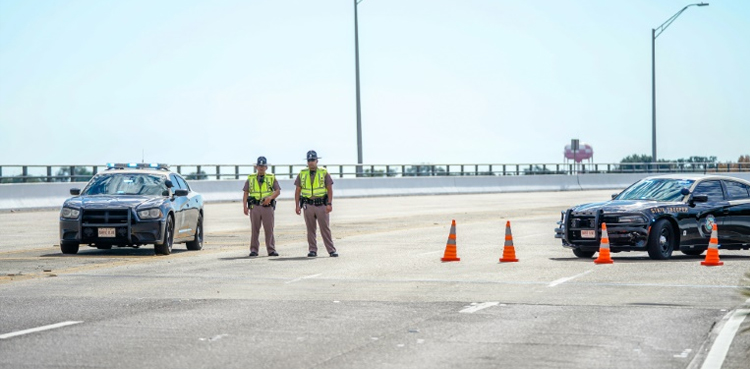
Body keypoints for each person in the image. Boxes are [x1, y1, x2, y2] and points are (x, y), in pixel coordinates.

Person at [294, 150, 337, 257]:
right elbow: (298, 190)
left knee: (325, 229)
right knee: (310, 229)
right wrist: (297, 206)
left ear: (317, 161)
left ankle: (331, 250)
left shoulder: (323, 172)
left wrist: (329, 203)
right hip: (308, 205)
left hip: (321, 204)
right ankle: (312, 250)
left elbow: (329, 189)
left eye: (313, 160)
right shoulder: (302, 173)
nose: (311, 162)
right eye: (309, 160)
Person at [243, 156, 281, 257]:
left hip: (267, 206)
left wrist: (270, 198)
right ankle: (254, 250)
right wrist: (245, 207)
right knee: (255, 229)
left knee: (269, 229)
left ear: (266, 167)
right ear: (256, 167)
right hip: (254, 206)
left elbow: (277, 191)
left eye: (263, 166)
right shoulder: (250, 178)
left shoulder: (271, 177)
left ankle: (271, 250)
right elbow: (246, 193)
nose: (261, 168)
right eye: (259, 166)